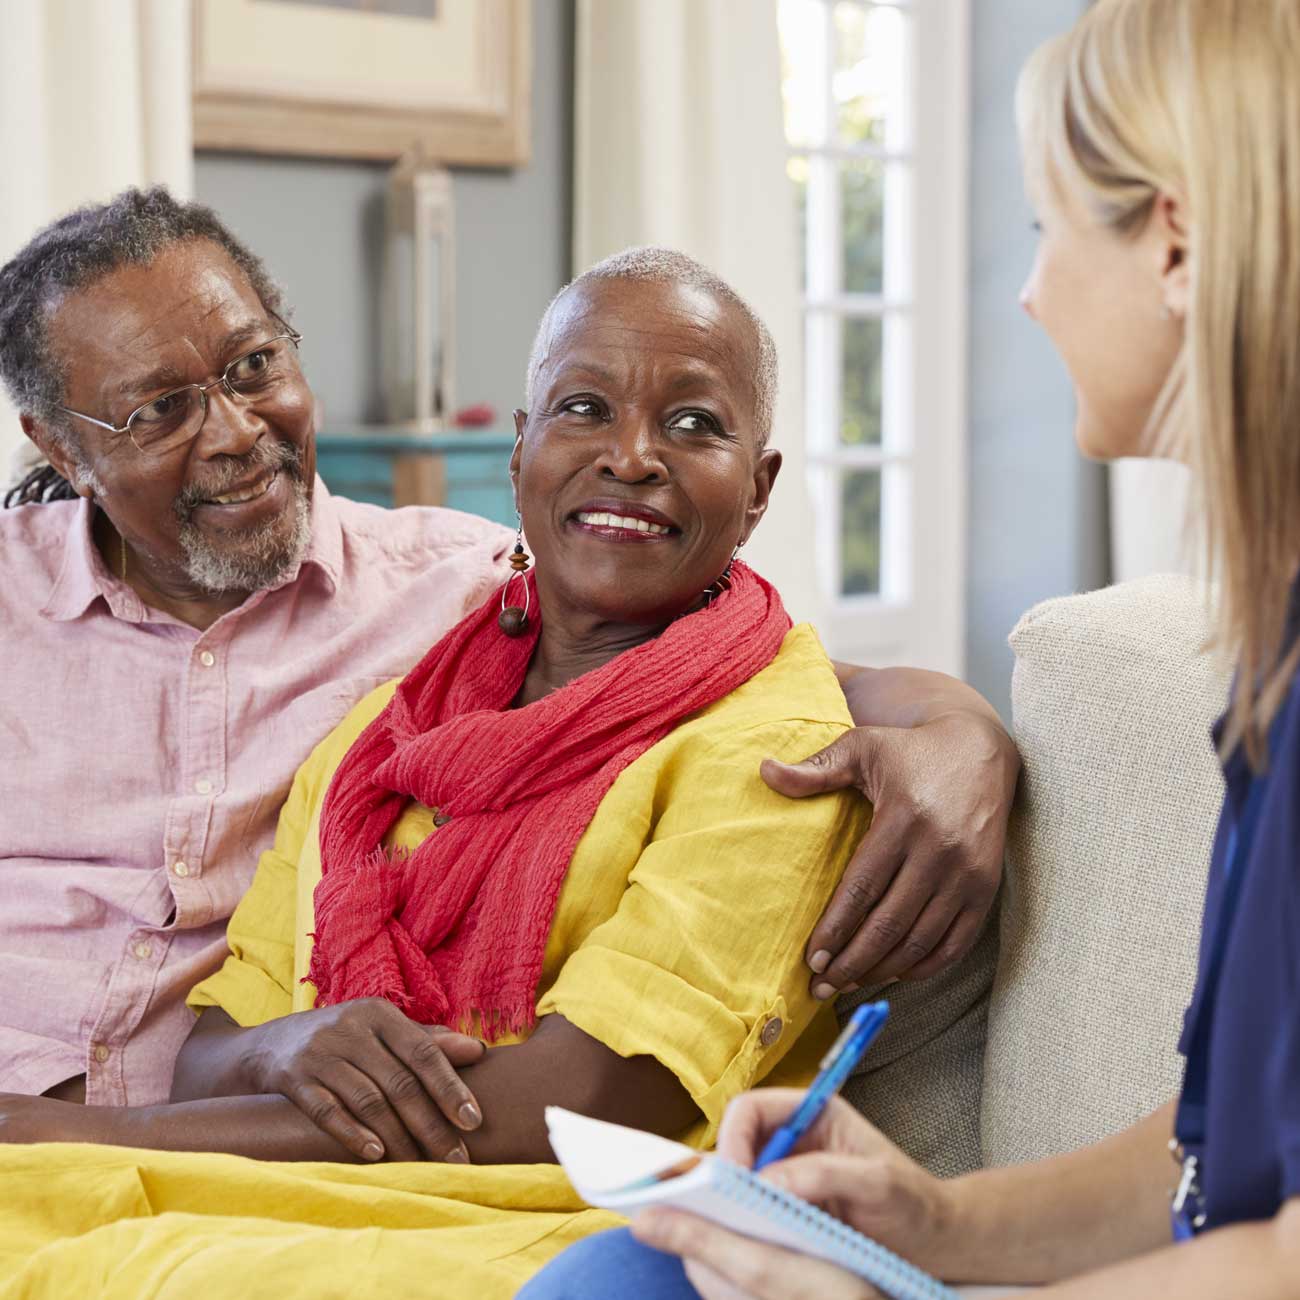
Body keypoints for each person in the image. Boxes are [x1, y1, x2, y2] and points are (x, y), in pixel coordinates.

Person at [2, 250, 967, 1295]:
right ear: (522, 456)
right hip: (273, 1192)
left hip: (507, 1219)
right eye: (584, 408)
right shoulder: (387, 729)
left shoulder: (770, 741)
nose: (633, 457)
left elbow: (563, 1109)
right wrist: (277, 1051)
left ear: (760, 486)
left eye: (693, 424)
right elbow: (215, 1045)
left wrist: (87, 1136)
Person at [527, 1, 1300, 1295]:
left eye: (1049, 227)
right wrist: (929, 1220)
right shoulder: (1267, 674)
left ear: (1171, 242)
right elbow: (1213, 1157)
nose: (1031, 290)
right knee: (617, 1277)